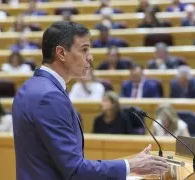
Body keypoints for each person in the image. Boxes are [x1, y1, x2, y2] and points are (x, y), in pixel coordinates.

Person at [12, 21, 169, 180]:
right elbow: (75, 171)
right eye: (84, 50)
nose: (90, 57)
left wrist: (127, 165)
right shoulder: (49, 97)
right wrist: (130, 165)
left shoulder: (29, 87)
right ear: (61, 53)